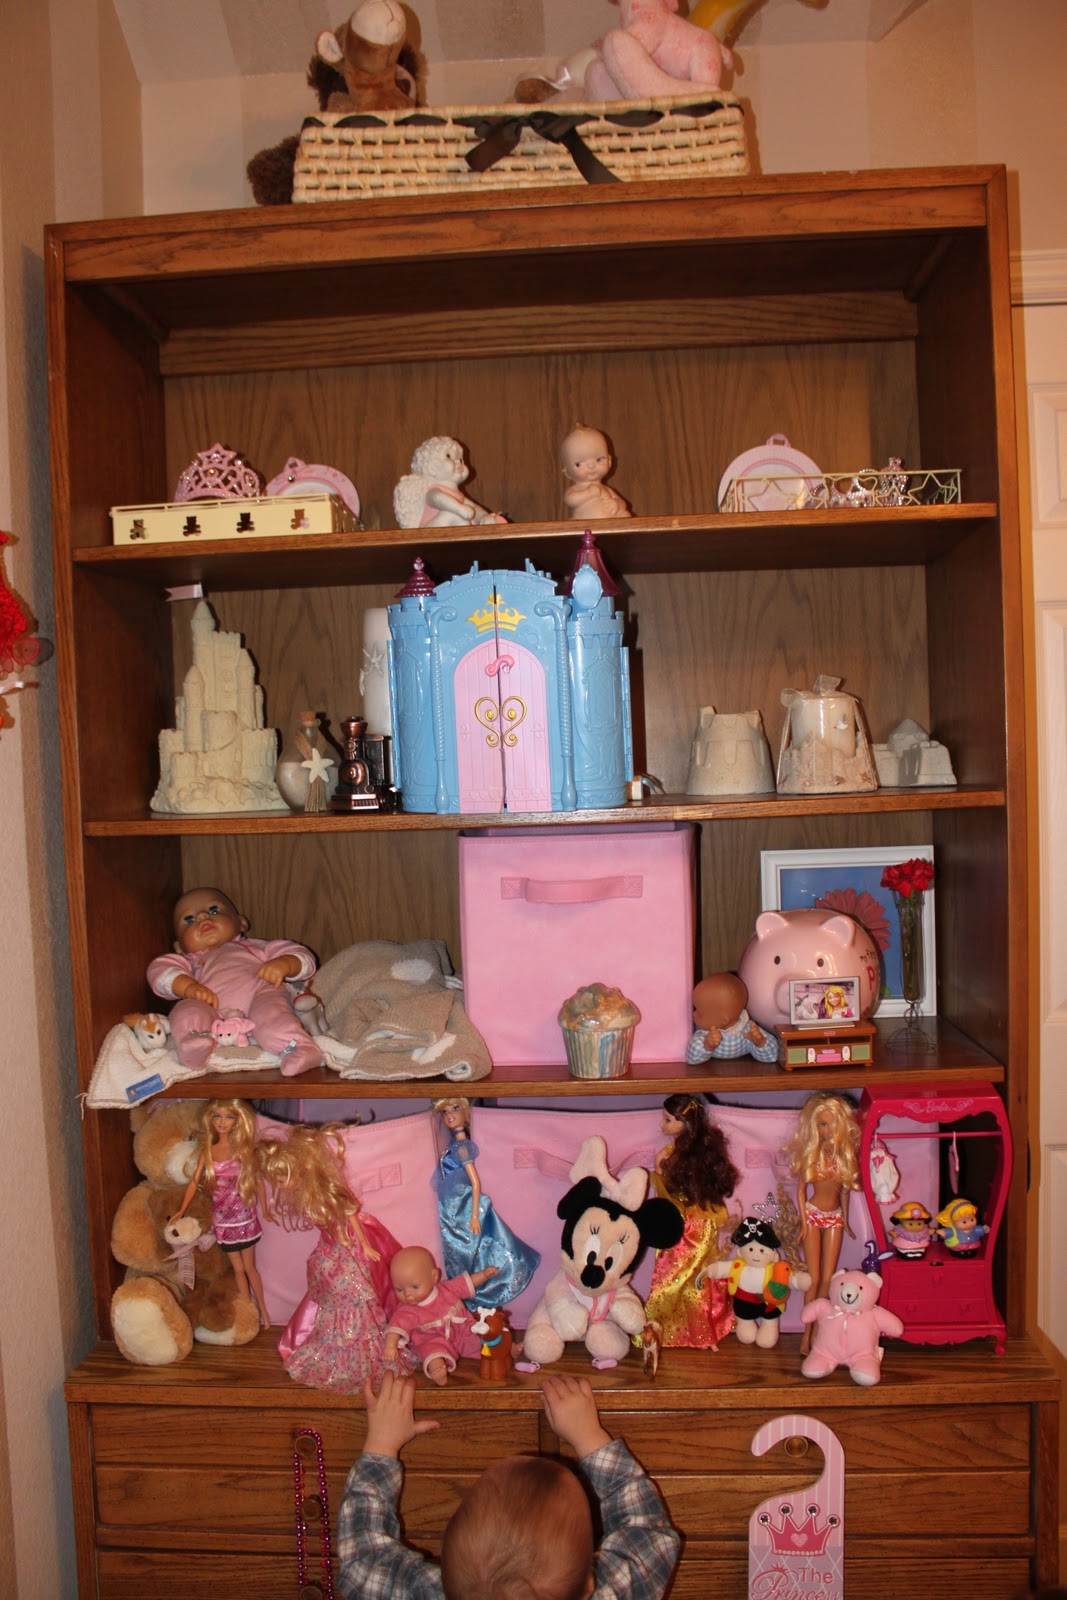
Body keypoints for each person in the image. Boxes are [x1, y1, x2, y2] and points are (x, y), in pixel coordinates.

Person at [336, 1369, 681, 1599]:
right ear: (589, 1585)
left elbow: (362, 1557)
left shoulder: (421, 1592)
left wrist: (382, 1443)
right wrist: (590, 1437)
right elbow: (647, 1533)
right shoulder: (611, 1593)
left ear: (443, 1576)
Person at [256, 1123, 415, 1393]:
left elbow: (351, 1215)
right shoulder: (308, 1195)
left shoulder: (327, 1191)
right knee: (332, 1303)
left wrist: (364, 1245)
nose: (280, 1186)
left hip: (347, 1251)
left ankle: (362, 1354)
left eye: (282, 1179)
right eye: (277, 1180)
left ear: (299, 1170)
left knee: (355, 1299)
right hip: (328, 1252)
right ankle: (337, 1348)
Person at [147, 885, 324, 1076]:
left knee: (272, 1017)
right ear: (179, 947)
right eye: (189, 920)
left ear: (241, 923)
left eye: (214, 910)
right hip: (211, 1008)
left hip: (260, 994)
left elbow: (302, 957)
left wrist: (285, 963)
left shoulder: (256, 946)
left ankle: (298, 1048)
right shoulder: (189, 962)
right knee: (186, 1010)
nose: (202, 917)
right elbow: (159, 971)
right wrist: (188, 987)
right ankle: (193, 1043)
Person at [640, 1093, 738, 1350]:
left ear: (684, 1124)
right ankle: (665, 1330)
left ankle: (702, 1332)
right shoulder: (667, 1155)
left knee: (695, 1279)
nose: (661, 1125)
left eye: (668, 1120)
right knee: (669, 1277)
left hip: (697, 1226)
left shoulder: (699, 1155)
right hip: (677, 1223)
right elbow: (664, 1194)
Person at [432, 1096, 540, 1309]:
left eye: (454, 1108)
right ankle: (470, 1295)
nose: (449, 1115)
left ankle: (480, 1292)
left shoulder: (462, 1146)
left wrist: (474, 1215)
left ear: (465, 1112)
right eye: (445, 1111)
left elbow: (475, 1181)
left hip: (462, 1206)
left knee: (469, 1248)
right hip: (453, 1207)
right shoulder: (456, 1142)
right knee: (465, 1250)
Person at [171, 1098, 270, 1327]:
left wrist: (265, 1209)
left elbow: (256, 1180)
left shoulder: (242, 1149)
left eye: (228, 1117)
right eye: (217, 1116)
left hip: (244, 1218)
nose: (222, 1122)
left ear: (237, 1120)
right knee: (238, 1270)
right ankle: (249, 1314)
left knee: (249, 1268)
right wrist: (181, 1210)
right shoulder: (208, 1151)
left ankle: (264, 1312)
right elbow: (194, 1182)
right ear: (210, 1119)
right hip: (223, 1221)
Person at [783, 1091, 861, 1353]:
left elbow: (845, 1192)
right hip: (814, 1215)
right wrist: (804, 1222)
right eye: (823, 1124)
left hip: (835, 1217)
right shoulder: (812, 1154)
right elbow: (801, 1191)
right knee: (813, 1279)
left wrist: (846, 1220)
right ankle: (806, 1334)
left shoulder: (844, 1156)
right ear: (815, 1126)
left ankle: (819, 1331)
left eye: (831, 1123)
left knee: (828, 1278)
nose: (827, 1130)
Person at [560, 424, 632, 520]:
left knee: (625, 515)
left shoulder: (606, 489)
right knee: (571, 525)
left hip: (610, 524)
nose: (591, 466)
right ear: (567, 473)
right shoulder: (576, 490)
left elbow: (622, 503)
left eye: (599, 459)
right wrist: (589, 493)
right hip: (585, 524)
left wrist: (617, 504)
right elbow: (571, 500)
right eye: (578, 464)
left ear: (609, 461)